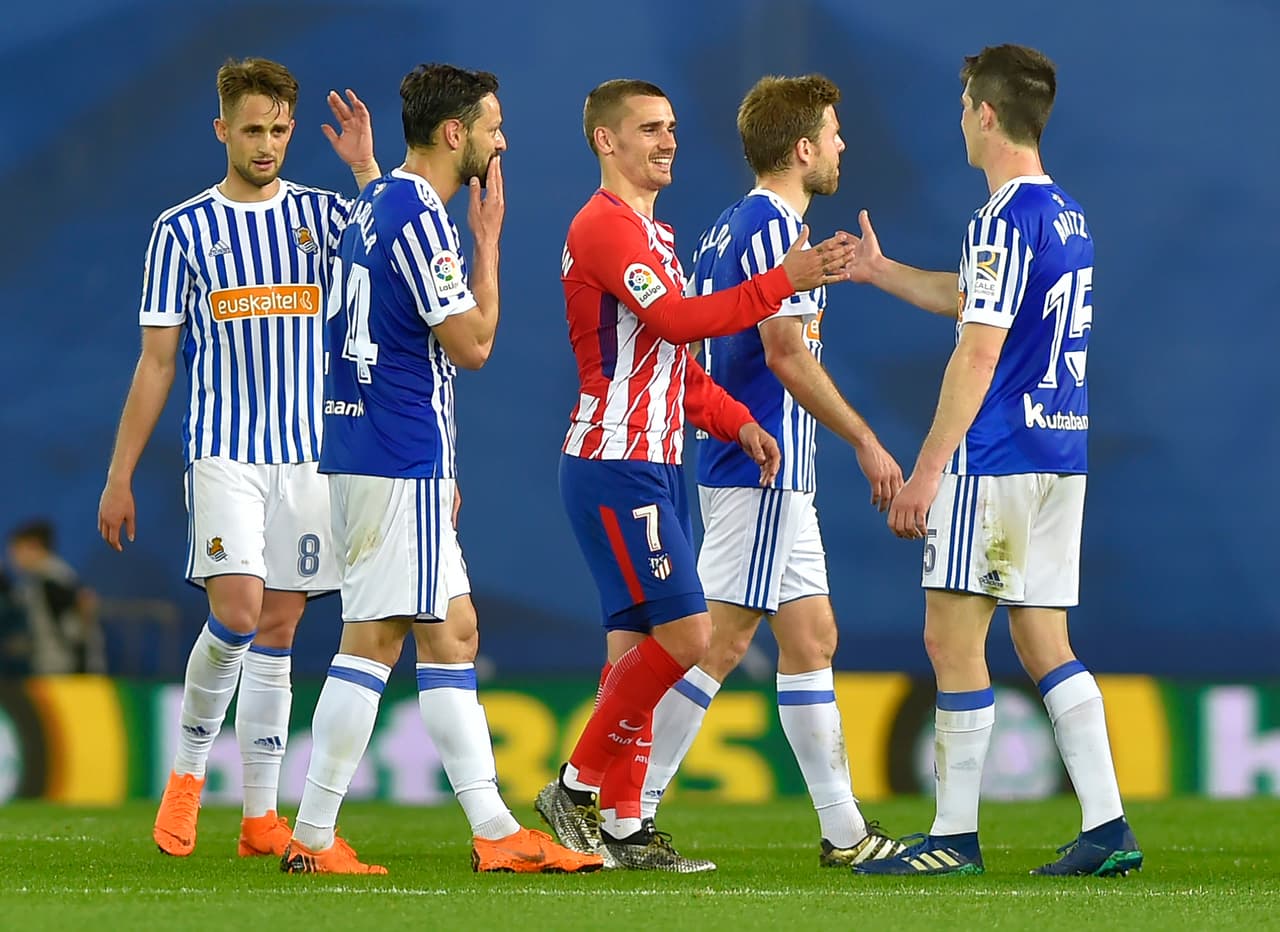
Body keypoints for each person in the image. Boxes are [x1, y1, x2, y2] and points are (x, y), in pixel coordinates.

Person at [282, 62, 600, 876]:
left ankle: (494, 831)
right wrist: (488, 246)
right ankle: (314, 838)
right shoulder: (423, 219)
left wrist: (365, 166)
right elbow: (475, 343)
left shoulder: (376, 203)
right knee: (375, 641)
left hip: (367, 452)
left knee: (453, 631)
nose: (501, 140)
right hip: (398, 457)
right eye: (492, 125)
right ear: (455, 133)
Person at [534, 78, 855, 872]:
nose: (667, 141)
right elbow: (680, 322)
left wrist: (734, 420)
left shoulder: (661, 235)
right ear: (605, 141)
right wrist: (784, 281)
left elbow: (675, 361)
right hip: (614, 462)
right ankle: (576, 787)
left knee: (638, 652)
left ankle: (623, 830)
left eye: (672, 126)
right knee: (690, 636)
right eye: (648, 129)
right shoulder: (603, 227)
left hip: (655, 461)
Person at [849, 44, 1142, 877]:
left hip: (999, 457)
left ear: (983, 112)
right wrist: (882, 272)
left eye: (963, 107)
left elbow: (977, 352)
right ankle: (1109, 825)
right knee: (1046, 639)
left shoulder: (1003, 215)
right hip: (1060, 453)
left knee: (952, 639)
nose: (961, 122)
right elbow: (977, 297)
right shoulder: (1067, 214)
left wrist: (929, 468)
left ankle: (952, 837)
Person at [96, 57, 381, 859]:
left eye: (280, 130)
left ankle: (260, 817)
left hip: (311, 459)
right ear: (222, 128)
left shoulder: (326, 217)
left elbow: (397, 241)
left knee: (282, 630)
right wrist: (120, 474)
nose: (266, 144)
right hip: (225, 451)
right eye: (252, 129)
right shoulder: (182, 229)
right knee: (240, 614)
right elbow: (157, 363)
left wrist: (364, 165)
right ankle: (187, 778)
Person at [637, 74, 907, 868]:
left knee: (813, 637)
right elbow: (784, 354)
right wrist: (864, 436)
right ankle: (625, 810)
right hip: (759, 470)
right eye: (831, 132)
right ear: (801, 149)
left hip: (769, 472)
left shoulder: (740, 224)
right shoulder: (765, 227)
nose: (841, 145)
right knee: (715, 646)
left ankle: (845, 832)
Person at [6, 520, 104, 674]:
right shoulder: (37, 580)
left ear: (34, 546)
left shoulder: (53, 581)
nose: (13, 558)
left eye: (17, 550)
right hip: (53, 666)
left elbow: (75, 629)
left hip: (65, 670)